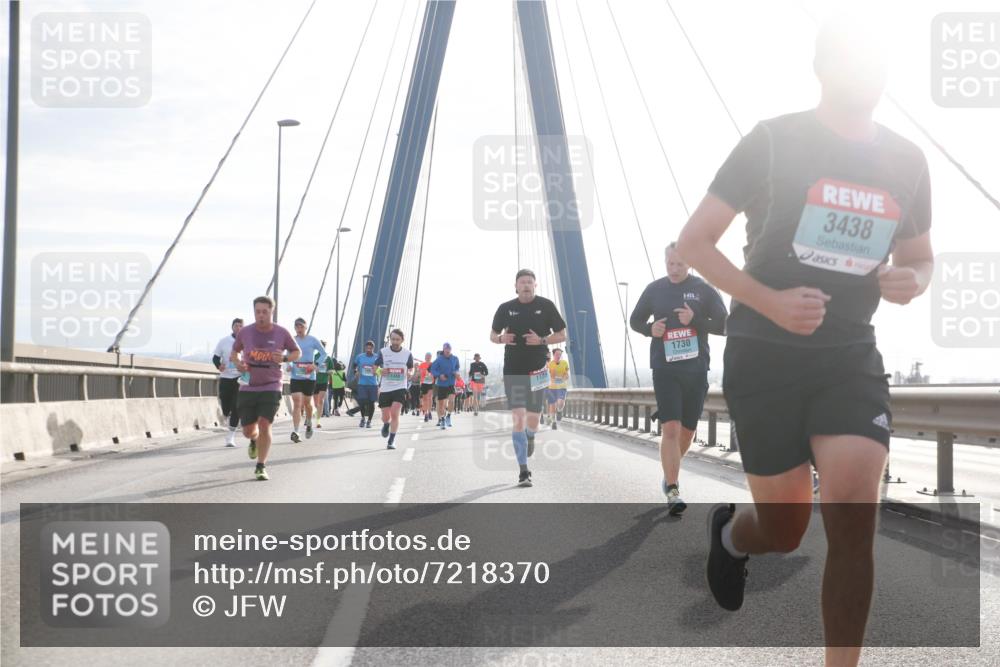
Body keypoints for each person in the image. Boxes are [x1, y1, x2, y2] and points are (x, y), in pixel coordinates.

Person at [676, 16, 934, 666]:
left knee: (852, 524)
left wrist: (912, 279)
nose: (869, 77)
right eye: (855, 64)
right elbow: (693, 242)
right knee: (785, 529)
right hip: (764, 357)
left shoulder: (907, 160)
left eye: (877, 65)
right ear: (822, 70)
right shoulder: (772, 140)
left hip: (850, 358)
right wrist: (770, 301)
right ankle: (734, 536)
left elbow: (921, 256)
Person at [630, 243, 728, 516]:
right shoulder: (655, 289)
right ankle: (673, 488)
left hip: (696, 370)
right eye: (670, 263)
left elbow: (723, 325)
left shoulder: (704, 290)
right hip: (665, 369)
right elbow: (635, 320)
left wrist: (695, 320)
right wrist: (651, 329)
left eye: (680, 264)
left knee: (687, 432)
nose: (674, 269)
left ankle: (669, 471)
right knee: (670, 429)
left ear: (690, 264)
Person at [490, 269, 567, 487]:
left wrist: (542, 340)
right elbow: (492, 335)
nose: (526, 285)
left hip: (538, 371)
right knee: (518, 417)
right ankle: (524, 470)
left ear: (535, 285)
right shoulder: (506, 308)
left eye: (530, 282)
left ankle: (531, 435)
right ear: (516, 286)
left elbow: (562, 334)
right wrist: (501, 338)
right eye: (522, 282)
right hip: (513, 370)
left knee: (533, 419)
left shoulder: (546, 306)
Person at [230, 296, 301, 481]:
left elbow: (297, 352)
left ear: (272, 312)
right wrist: (238, 363)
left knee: (264, 424)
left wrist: (284, 359)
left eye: (265, 312)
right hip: (248, 385)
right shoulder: (245, 332)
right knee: (248, 431)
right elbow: (234, 352)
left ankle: (261, 465)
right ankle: (253, 440)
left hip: (272, 384)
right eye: (257, 312)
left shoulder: (281, 332)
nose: (261, 315)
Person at [287, 318, 327, 442]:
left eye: (301, 327)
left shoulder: (313, 340)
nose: (299, 329)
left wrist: (316, 365)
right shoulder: (292, 341)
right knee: (297, 402)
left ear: (306, 327)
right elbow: (287, 356)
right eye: (297, 327)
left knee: (307, 404)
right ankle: (296, 431)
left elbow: (324, 354)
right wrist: (288, 365)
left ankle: (309, 422)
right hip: (295, 376)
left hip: (309, 376)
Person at [374, 328, 414, 450]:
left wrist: (410, 373)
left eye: (397, 339)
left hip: (400, 387)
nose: (395, 342)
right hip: (386, 388)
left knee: (395, 414)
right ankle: (386, 424)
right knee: (386, 416)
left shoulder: (407, 353)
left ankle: (391, 440)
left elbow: (411, 368)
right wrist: (381, 371)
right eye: (393, 339)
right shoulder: (383, 352)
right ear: (390, 339)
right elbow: (374, 368)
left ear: (402, 340)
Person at [212, 317, 244, 447]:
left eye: (241, 326)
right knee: (225, 405)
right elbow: (215, 358)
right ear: (232, 327)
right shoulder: (224, 342)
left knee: (236, 406)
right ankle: (227, 414)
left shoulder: (247, 342)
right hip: (226, 377)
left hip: (239, 378)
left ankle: (230, 437)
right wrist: (219, 366)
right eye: (236, 325)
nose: (238, 328)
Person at [348, 340, 379, 428]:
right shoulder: (360, 357)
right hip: (362, 383)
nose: (369, 349)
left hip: (373, 384)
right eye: (367, 348)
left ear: (373, 348)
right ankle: (362, 419)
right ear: (365, 348)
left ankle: (369, 421)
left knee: (371, 403)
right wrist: (355, 371)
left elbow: (381, 368)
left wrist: (378, 372)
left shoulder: (377, 357)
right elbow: (354, 365)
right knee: (362, 402)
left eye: (370, 348)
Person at [430, 345, 460, 429]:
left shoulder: (455, 358)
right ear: (443, 349)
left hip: (451, 383)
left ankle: (449, 416)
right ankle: (442, 419)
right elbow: (433, 369)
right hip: (441, 384)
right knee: (441, 404)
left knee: (451, 400)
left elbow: (457, 367)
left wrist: (456, 372)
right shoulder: (439, 359)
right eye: (446, 349)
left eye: (449, 349)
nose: (447, 350)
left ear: (451, 349)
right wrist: (440, 375)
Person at [545, 348, 570, 430]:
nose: (558, 356)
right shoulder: (549, 365)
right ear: (553, 355)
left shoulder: (565, 363)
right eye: (557, 354)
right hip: (552, 387)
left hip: (562, 387)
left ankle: (559, 411)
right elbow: (545, 376)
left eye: (560, 354)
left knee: (560, 403)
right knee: (552, 405)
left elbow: (567, 375)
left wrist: (564, 378)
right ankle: (553, 422)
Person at [312, 341, 332, 428]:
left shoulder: (328, 358)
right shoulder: (314, 357)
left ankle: (318, 421)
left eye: (322, 346)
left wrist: (329, 371)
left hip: (324, 381)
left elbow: (332, 370)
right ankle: (316, 414)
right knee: (316, 403)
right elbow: (309, 367)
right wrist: (314, 369)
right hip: (314, 381)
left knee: (320, 401)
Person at [418, 352, 435, 422]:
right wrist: (422, 373)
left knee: (430, 398)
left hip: (431, 383)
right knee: (425, 399)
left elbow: (435, 372)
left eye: (429, 356)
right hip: (424, 383)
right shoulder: (422, 364)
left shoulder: (433, 365)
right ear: (425, 357)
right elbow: (419, 373)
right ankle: (426, 413)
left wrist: (431, 374)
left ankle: (429, 412)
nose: (428, 357)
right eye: (426, 356)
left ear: (431, 357)